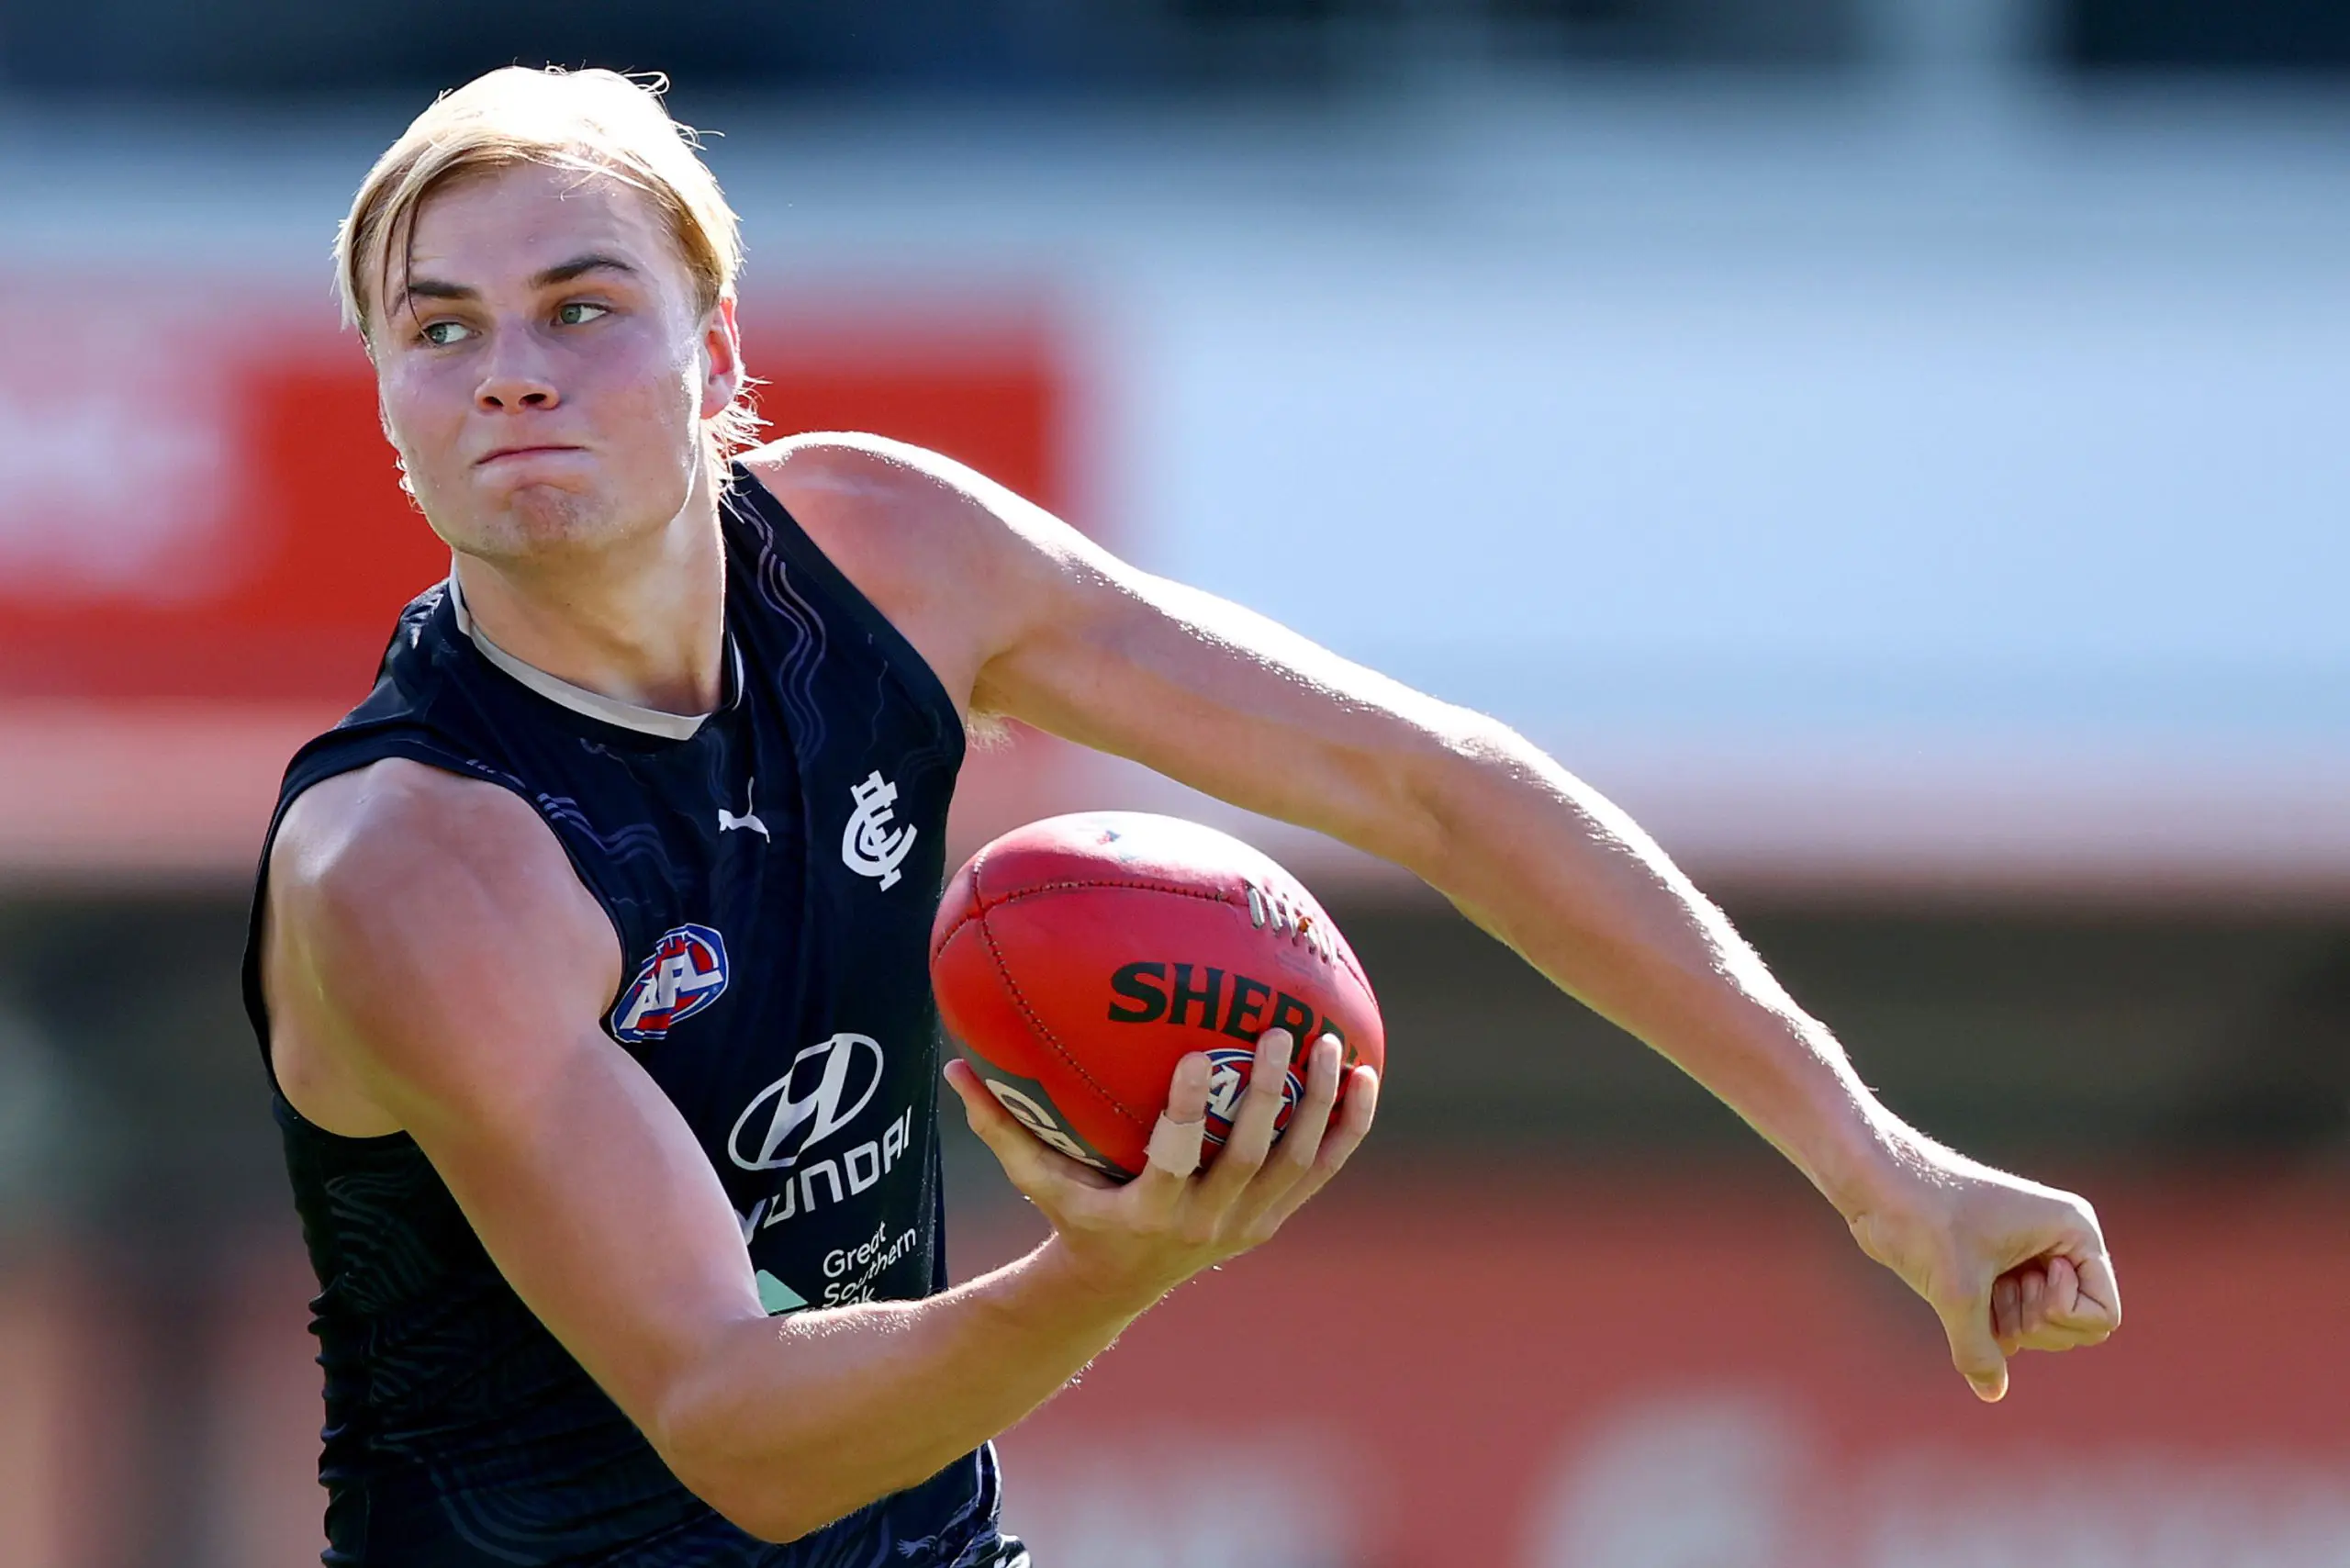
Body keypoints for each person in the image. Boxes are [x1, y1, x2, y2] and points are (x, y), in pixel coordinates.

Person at [243, 64, 2120, 1568]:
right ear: (390, 403)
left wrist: (1883, 1167)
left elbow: (1429, 783)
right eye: (439, 328)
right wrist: (1113, 1265)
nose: (510, 366)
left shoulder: (886, 553)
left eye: (584, 305)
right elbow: (735, 1427)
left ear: (721, 358)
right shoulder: (419, 855)